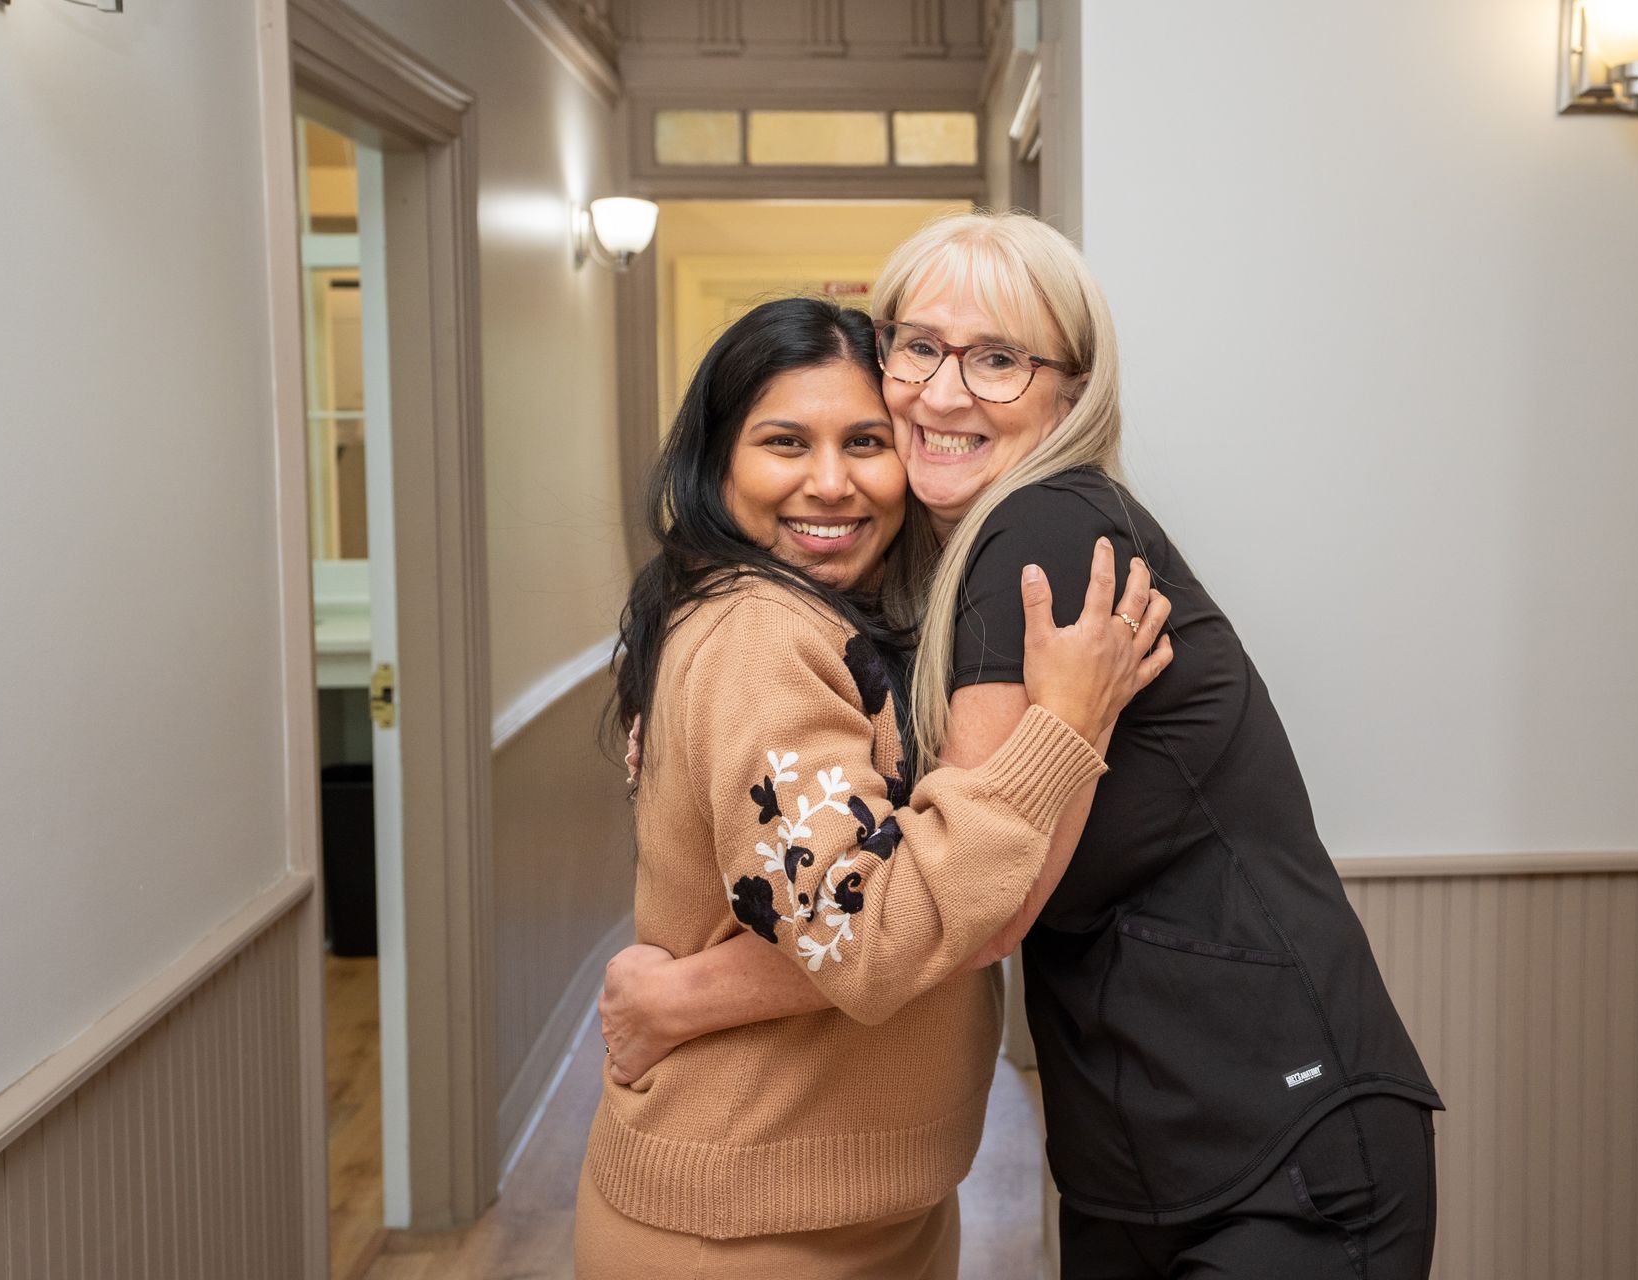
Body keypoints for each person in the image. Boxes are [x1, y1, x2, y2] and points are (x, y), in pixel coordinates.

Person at [600, 213, 1445, 1278]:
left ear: (1070, 389)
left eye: (999, 358)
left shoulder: (1036, 531)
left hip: (1266, 1139)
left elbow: (973, 909)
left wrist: (685, 994)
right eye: (919, 346)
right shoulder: (849, 603)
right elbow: (921, 884)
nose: (945, 393)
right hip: (1151, 1143)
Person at [573, 294, 1173, 1279]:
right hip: (741, 1229)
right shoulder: (761, 634)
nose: (830, 482)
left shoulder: (846, 620)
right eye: (783, 441)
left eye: (864, 440)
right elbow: (865, 929)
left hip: (848, 1201)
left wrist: (685, 996)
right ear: (718, 461)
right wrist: (1064, 728)